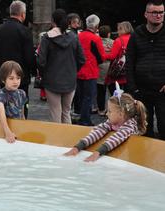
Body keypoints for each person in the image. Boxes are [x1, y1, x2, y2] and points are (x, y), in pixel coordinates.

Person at [64, 91, 147, 162]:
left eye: (110, 111)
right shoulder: (112, 121)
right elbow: (98, 131)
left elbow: (116, 138)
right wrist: (78, 147)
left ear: (121, 114)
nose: (107, 114)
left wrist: (97, 153)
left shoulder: (130, 126)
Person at [126, 0, 165, 140]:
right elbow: (129, 61)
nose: (158, 15)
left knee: (164, 128)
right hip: (141, 90)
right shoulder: (137, 34)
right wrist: (133, 88)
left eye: (161, 12)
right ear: (146, 14)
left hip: (162, 90)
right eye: (155, 12)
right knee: (143, 129)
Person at [38, 9, 85, 124]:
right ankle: (67, 139)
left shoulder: (46, 38)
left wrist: (45, 74)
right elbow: (82, 59)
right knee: (66, 112)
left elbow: (41, 61)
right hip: (70, 79)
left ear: (53, 22)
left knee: (55, 112)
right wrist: (73, 71)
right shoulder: (74, 38)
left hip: (51, 80)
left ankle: (57, 140)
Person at [0, 0, 34, 117]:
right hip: (20, 77)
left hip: (3, 76)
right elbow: (29, 56)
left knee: (2, 105)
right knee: (21, 106)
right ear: (22, 14)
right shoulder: (24, 31)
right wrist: (33, 71)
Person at [77, 14, 106, 126]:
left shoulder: (78, 36)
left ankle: (80, 116)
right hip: (90, 71)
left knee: (81, 96)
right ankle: (85, 120)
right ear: (96, 25)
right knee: (88, 97)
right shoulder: (95, 38)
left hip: (79, 70)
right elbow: (101, 57)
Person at [0, 61, 27, 143]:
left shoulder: (22, 93)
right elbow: (1, 112)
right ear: (3, 80)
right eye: (11, 78)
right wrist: (7, 132)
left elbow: (22, 113)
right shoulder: (1, 95)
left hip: (18, 128)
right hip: (4, 128)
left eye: (18, 78)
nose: (15, 81)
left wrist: (24, 126)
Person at [105, 21, 133, 94]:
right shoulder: (134, 38)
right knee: (128, 97)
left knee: (117, 98)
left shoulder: (119, 40)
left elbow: (112, 56)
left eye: (118, 29)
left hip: (119, 75)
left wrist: (102, 54)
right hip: (131, 73)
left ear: (122, 29)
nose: (117, 31)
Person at [97, 25, 113, 116]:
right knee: (112, 91)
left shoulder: (97, 42)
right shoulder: (113, 42)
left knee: (100, 91)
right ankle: (112, 109)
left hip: (99, 68)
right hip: (110, 68)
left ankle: (101, 109)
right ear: (109, 34)